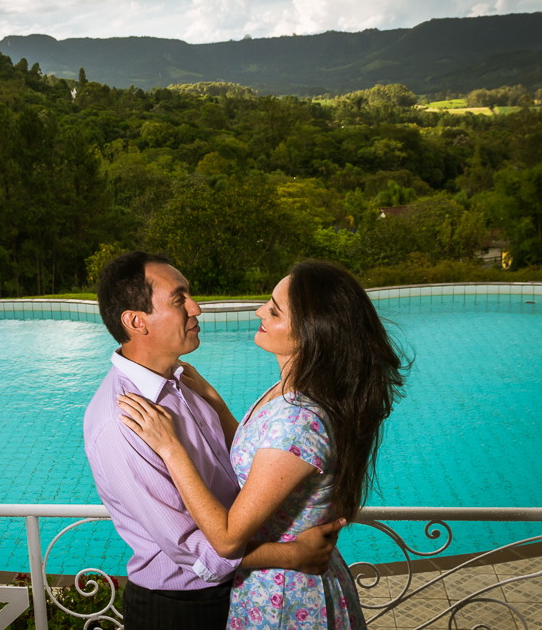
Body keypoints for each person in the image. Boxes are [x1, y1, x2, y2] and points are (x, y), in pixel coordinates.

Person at [118, 260, 407, 630]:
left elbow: (224, 540)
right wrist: (213, 400)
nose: (259, 311)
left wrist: (170, 447)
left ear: (309, 331)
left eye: (274, 309)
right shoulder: (290, 392)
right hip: (271, 585)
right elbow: (264, 454)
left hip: (287, 598)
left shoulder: (299, 420)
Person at [84, 252, 347, 630]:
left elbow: (244, 463)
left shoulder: (183, 382)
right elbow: (193, 550)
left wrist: (218, 408)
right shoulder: (122, 421)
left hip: (238, 591)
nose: (197, 308)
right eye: (179, 299)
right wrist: (290, 555)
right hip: (181, 608)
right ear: (136, 321)